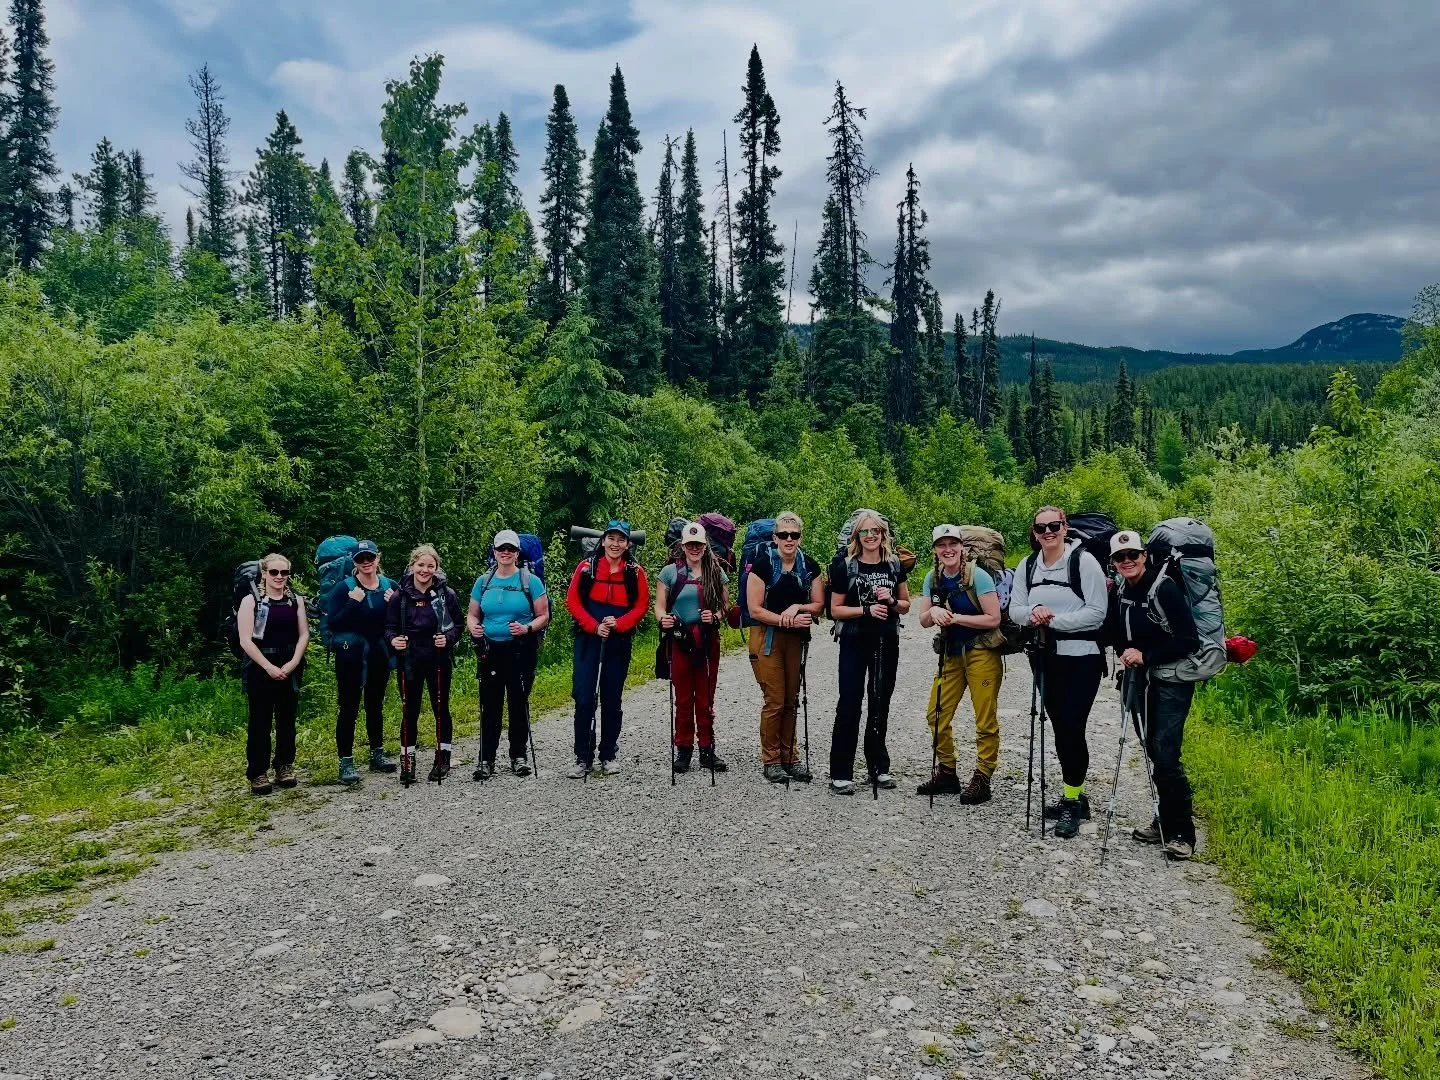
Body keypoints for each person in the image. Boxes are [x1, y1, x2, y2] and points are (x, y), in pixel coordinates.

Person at [1008, 505, 1108, 838]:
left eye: (1054, 526)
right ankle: (1074, 795)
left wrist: (1053, 621)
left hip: (1082, 657)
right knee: (1060, 726)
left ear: (1065, 527)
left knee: (1070, 727)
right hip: (1045, 658)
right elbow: (1015, 609)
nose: (1047, 532)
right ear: (1034, 533)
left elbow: (1097, 612)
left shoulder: (1084, 562)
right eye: (1040, 528)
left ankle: (1072, 803)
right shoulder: (1028, 565)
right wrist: (1034, 613)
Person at [1105, 530, 1201, 860]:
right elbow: (1119, 634)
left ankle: (1183, 833)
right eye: (1120, 557)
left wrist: (1146, 656)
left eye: (1133, 554)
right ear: (1114, 563)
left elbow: (1190, 641)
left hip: (1172, 681)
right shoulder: (1121, 590)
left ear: (1145, 556)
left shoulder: (1165, 588)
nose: (1127, 561)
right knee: (1152, 750)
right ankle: (1164, 821)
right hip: (1139, 679)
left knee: (1165, 754)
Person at [915, 525, 1004, 803]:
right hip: (951, 654)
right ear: (935, 550)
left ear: (962, 547)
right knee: (936, 715)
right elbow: (923, 619)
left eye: (952, 543)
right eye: (941, 545)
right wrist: (935, 611)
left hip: (982, 652)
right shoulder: (933, 578)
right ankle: (947, 772)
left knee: (984, 719)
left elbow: (993, 618)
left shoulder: (978, 576)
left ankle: (983, 776)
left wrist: (954, 618)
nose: (948, 549)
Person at [827, 510, 911, 795]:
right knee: (850, 702)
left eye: (875, 531)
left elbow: (906, 605)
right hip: (853, 641)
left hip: (887, 640)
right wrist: (865, 609)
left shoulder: (894, 564)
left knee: (880, 702)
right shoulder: (845, 567)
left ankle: (878, 767)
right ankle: (840, 772)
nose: (871, 536)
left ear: (883, 534)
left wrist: (892, 601)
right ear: (857, 536)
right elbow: (834, 609)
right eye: (865, 532)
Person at [565, 520, 650, 778]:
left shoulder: (634, 572)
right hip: (588, 640)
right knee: (584, 698)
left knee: (611, 699)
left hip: (618, 641)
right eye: (611, 539)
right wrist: (593, 626)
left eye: (621, 540)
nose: (615, 544)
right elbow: (573, 601)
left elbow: (641, 605)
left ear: (627, 544)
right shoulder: (586, 567)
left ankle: (608, 754)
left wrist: (620, 624)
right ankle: (583, 756)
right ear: (603, 541)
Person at [745, 512, 824, 783]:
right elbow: (754, 609)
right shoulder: (762, 565)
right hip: (766, 636)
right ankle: (772, 759)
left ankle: (791, 757)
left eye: (794, 535)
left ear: (800, 537)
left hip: (794, 639)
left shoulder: (809, 566)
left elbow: (818, 605)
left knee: (791, 699)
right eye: (783, 535)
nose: (789, 539)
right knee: (775, 699)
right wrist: (784, 619)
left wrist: (797, 607)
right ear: (774, 537)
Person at [467, 529, 551, 780]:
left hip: (520, 650)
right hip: (490, 650)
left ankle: (518, 756)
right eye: (501, 548)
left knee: (518, 703)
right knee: (490, 706)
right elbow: (472, 613)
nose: (505, 553)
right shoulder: (483, 581)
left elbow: (544, 616)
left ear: (517, 553)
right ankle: (486, 759)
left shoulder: (531, 582)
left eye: (510, 549)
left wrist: (527, 628)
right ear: (494, 552)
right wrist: (472, 625)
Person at [385, 544, 463, 785]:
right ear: (412, 566)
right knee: (410, 711)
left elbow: (458, 626)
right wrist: (393, 640)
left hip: (438, 660)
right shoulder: (399, 596)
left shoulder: (446, 594)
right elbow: (388, 628)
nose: (425, 570)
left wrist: (447, 638)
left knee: (441, 708)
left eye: (431, 566)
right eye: (421, 565)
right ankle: (407, 761)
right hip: (409, 660)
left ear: (436, 568)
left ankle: (442, 758)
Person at [656, 522, 730, 774]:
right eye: (690, 544)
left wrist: (716, 617)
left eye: (698, 544)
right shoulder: (669, 573)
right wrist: (662, 619)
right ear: (683, 546)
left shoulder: (716, 572)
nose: (694, 548)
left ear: (705, 545)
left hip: (708, 641)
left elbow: (725, 607)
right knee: (684, 698)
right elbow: (659, 606)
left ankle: (707, 749)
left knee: (706, 698)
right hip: (680, 640)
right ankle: (684, 749)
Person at [326, 539, 397, 785]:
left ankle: (377, 753)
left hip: (378, 654)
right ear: (353, 561)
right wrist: (353, 601)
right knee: (349, 707)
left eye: (370, 557)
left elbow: (399, 622)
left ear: (378, 558)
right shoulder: (343, 588)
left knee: (375, 704)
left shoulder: (390, 587)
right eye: (360, 559)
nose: (366, 562)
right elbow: (333, 623)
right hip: (350, 655)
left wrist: (394, 604)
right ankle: (345, 762)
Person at [237, 553, 309, 796]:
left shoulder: (295, 601)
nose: (279, 577)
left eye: (284, 573)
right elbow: (245, 640)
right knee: (260, 721)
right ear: (264, 574)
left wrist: (294, 662)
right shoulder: (251, 602)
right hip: (260, 666)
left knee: (287, 719)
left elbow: (304, 634)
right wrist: (268, 666)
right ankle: (258, 772)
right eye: (274, 572)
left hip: (290, 663)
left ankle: (284, 766)